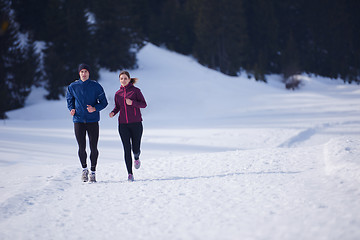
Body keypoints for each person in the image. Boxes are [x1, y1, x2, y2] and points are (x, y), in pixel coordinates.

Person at [66, 63, 108, 183]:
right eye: (82, 72)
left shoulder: (96, 86)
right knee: (81, 147)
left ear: (89, 73)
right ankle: (84, 170)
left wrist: (95, 108)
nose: (84, 74)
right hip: (78, 120)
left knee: (93, 147)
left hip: (93, 120)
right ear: (79, 73)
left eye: (86, 71)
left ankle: (93, 172)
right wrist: (71, 109)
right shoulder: (73, 86)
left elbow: (104, 102)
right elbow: (69, 100)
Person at [109, 71, 147, 181]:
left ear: (129, 79)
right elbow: (117, 107)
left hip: (136, 124)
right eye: (121, 78)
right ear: (119, 80)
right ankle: (130, 174)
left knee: (135, 148)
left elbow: (144, 104)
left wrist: (133, 103)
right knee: (126, 149)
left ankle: (136, 156)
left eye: (125, 78)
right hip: (123, 125)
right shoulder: (118, 94)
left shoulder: (136, 91)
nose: (123, 80)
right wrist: (113, 113)